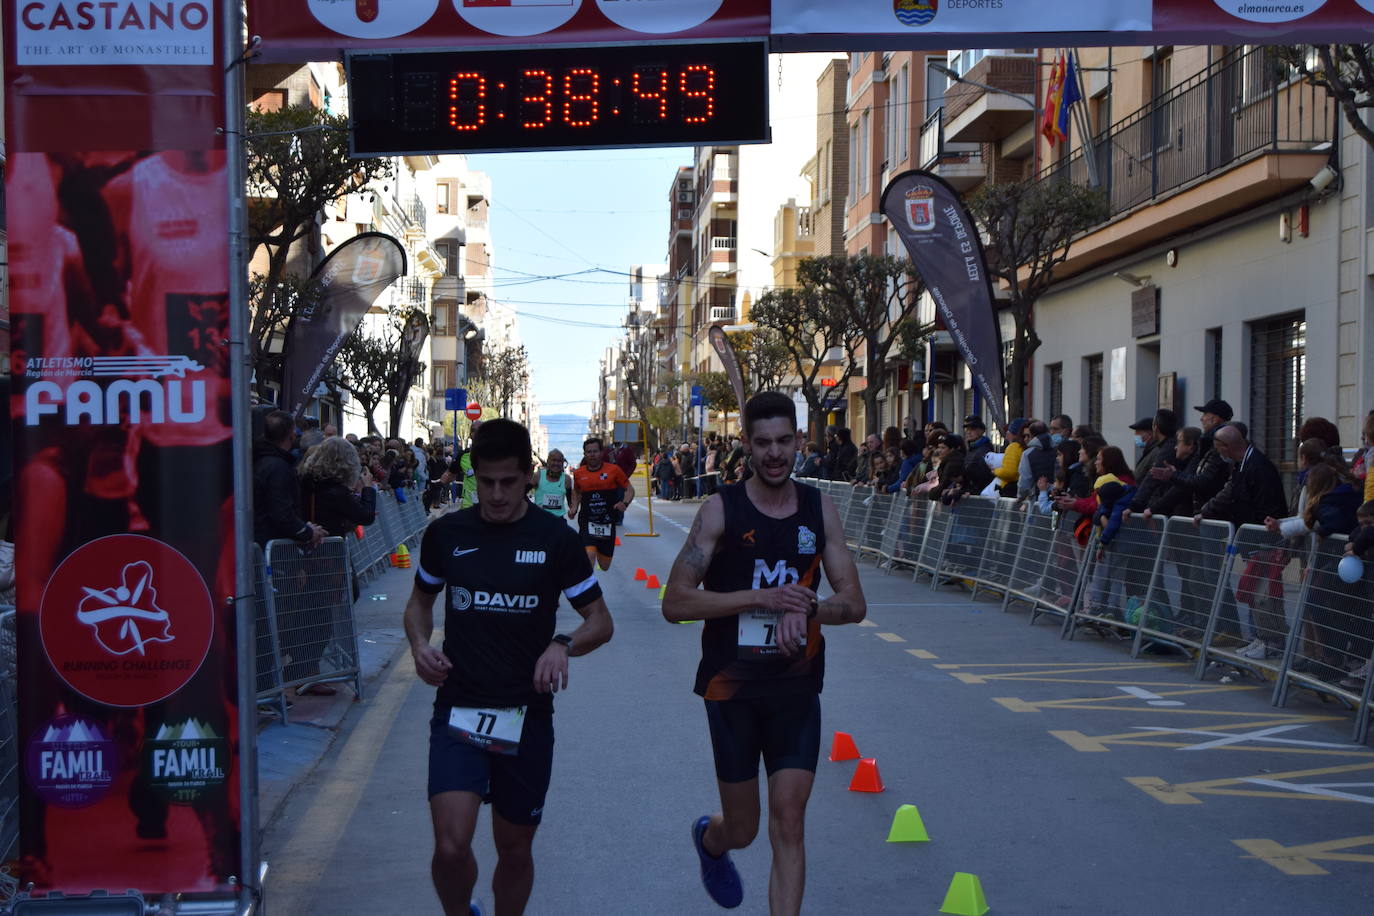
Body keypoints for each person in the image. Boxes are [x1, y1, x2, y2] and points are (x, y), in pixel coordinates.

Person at [663, 391, 866, 916]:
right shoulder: (719, 510)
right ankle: (711, 841)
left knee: (789, 820)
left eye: (784, 442)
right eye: (763, 443)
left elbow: (855, 603)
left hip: (796, 685)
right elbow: (675, 601)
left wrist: (811, 610)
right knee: (746, 828)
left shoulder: (819, 509)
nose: (775, 454)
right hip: (730, 688)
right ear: (747, 446)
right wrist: (761, 598)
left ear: (800, 440)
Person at [405, 420, 612, 916]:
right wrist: (419, 645)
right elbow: (418, 604)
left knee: (514, 850)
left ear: (529, 477)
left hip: (528, 715)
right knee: (451, 846)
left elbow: (600, 622)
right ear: (475, 475)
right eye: (487, 482)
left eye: (509, 482)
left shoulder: (554, 539)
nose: (497, 495)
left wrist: (562, 643)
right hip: (459, 707)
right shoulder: (447, 535)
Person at [253, 410, 325, 550]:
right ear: (292, 434)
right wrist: (307, 532)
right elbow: (281, 513)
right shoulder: (278, 467)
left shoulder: (262, 460)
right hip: (274, 548)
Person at [571, 437, 634, 570]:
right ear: (585, 454)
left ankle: (599, 549)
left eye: (595, 451)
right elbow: (576, 492)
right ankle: (588, 587)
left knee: (605, 566)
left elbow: (629, 489)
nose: (592, 455)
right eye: (589, 452)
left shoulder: (614, 470)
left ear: (601, 453)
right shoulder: (578, 473)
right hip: (587, 521)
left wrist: (625, 503)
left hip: (607, 522)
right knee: (590, 554)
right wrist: (574, 507)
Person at [531, 449, 574, 519]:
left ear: (563, 463)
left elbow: (570, 501)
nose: (556, 463)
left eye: (559, 461)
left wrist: (572, 510)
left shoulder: (566, 479)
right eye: (553, 460)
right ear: (548, 461)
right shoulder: (538, 475)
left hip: (558, 519)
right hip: (539, 519)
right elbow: (522, 493)